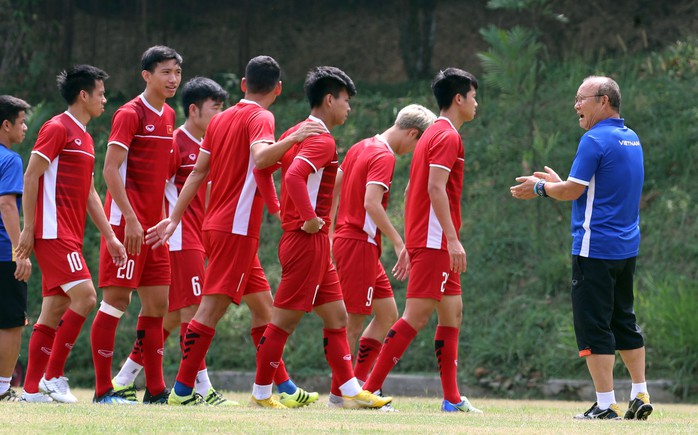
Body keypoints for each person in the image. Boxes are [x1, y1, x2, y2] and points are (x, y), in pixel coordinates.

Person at [146, 55, 324, 407]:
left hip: (216, 225)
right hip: (236, 229)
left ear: (243, 84)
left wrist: (175, 218)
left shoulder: (221, 119)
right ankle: (183, 391)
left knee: (264, 309)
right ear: (278, 89)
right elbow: (261, 158)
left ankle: (283, 388)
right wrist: (296, 138)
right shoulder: (262, 116)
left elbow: (197, 173)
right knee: (209, 310)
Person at [510, 75, 652, 421]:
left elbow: (573, 191)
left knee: (594, 326)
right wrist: (559, 184)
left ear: (604, 100)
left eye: (581, 98)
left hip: (595, 249)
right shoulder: (631, 139)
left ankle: (605, 406)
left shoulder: (593, 139)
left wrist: (542, 189)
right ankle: (640, 393)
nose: (576, 105)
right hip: (626, 248)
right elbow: (596, 190)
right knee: (624, 321)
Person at [250, 66, 391, 410]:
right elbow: (296, 176)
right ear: (329, 100)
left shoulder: (299, 131)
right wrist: (307, 217)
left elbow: (263, 168)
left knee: (338, 317)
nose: (349, 108)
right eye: (346, 101)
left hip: (312, 242)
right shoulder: (322, 138)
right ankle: (260, 394)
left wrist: (279, 209)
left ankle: (347, 388)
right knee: (283, 320)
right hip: (305, 240)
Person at [362, 68, 482, 413]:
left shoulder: (433, 135)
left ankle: (452, 399)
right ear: (458, 99)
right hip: (434, 241)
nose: (476, 103)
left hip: (432, 239)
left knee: (452, 313)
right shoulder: (446, 136)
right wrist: (452, 239)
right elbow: (434, 187)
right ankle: (369, 391)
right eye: (473, 96)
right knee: (416, 315)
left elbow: (415, 187)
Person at [111, 76, 235, 406]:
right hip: (178, 239)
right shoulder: (175, 142)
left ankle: (123, 379)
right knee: (193, 312)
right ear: (194, 110)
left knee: (167, 317)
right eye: (215, 109)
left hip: (196, 236)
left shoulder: (208, 144)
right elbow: (152, 187)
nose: (220, 115)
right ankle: (200, 387)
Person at [15, 65, 127, 404]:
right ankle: (53, 375)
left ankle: (32, 390)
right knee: (87, 297)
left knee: (55, 308)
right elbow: (32, 176)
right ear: (84, 95)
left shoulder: (88, 137)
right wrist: (29, 229)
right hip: (52, 232)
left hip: (68, 234)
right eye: (101, 93)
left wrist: (110, 236)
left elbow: (90, 193)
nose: (104, 100)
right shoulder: (57, 127)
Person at [327, 104, 436, 407]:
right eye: (419, 145)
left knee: (387, 314)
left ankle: (358, 384)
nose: (416, 152)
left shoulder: (362, 145)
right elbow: (372, 203)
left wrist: (331, 227)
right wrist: (400, 243)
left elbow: (335, 184)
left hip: (358, 243)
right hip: (358, 244)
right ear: (413, 134)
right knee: (353, 322)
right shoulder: (384, 156)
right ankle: (340, 396)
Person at [90, 45, 182, 404]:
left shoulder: (170, 115)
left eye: (176, 72)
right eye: (165, 72)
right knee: (115, 302)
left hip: (155, 228)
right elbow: (110, 169)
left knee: (158, 304)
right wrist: (128, 219)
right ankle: (102, 391)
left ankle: (155, 390)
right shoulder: (130, 113)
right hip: (126, 224)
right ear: (146, 75)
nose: (173, 79)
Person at [0, 95, 32, 402]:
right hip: (2, 253)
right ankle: (3, 388)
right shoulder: (10, 159)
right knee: (11, 322)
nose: (25, 128)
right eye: (21, 122)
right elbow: (7, 204)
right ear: (6, 124)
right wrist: (18, 252)